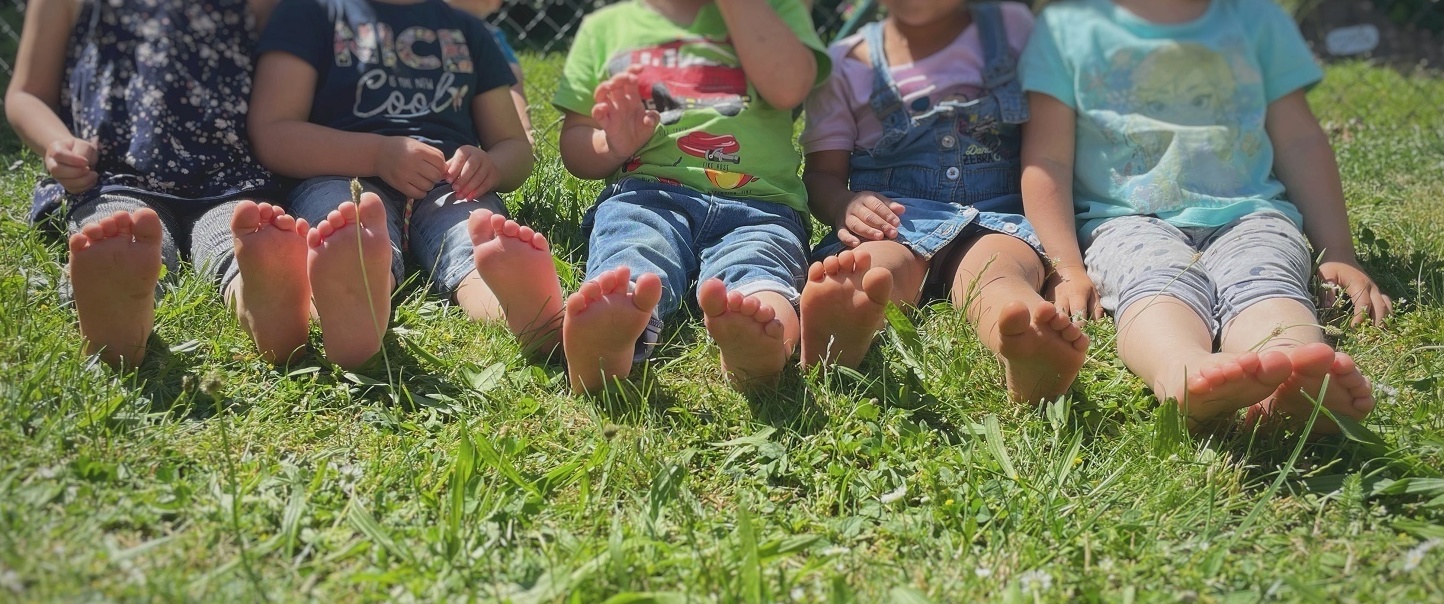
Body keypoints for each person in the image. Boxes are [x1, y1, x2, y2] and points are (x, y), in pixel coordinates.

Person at [1020, 0, 1390, 432]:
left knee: (1268, 281)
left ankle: (1292, 372)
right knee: (1155, 285)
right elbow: (1047, 158)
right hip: (1129, 220)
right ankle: (1180, 368)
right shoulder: (1068, 29)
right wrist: (1066, 266)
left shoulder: (1257, 20)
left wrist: (1339, 251)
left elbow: (1300, 141)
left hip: (1251, 215)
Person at [477, 0, 827, 393]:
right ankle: (610, 335)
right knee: (632, 250)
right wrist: (611, 145)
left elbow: (789, 89)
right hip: (647, 194)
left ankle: (760, 343)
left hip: (760, 206)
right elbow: (576, 145)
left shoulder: (776, 9)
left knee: (759, 268)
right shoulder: (607, 28)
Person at [798, 0, 1088, 403]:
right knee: (876, 267)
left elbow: (1044, 149)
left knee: (997, 273)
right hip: (895, 220)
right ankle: (845, 320)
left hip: (994, 219)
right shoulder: (845, 65)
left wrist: (1065, 266)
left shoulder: (1011, 29)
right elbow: (821, 175)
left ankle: (1024, 338)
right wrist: (842, 203)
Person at [4, 0, 308, 368]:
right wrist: (59, 143)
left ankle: (257, 299)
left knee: (245, 238)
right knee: (119, 237)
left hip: (229, 178)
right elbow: (27, 93)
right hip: (115, 176)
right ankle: (119, 315)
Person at [248, 0, 536, 370]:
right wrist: (378, 155)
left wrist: (492, 166)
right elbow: (274, 132)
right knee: (346, 236)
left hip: (450, 182)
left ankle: (520, 311)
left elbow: (514, 147)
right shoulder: (309, 12)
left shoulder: (468, 30)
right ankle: (348, 302)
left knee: (478, 242)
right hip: (341, 174)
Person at [445, 0, 535, 144]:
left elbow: (513, 79)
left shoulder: (491, 35)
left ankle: (522, 128)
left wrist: (525, 130)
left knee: (512, 72)